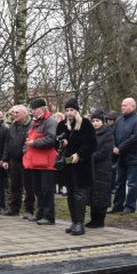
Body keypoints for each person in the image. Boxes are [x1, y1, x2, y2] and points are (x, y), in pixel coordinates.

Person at [56, 98, 97, 235]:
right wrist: (61, 143)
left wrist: (79, 154)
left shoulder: (85, 124)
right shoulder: (62, 125)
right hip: (68, 165)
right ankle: (74, 221)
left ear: (77, 111)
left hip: (82, 165)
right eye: (67, 110)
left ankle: (80, 223)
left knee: (80, 193)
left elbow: (92, 144)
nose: (69, 113)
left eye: (72, 110)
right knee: (71, 194)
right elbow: (55, 143)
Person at [22, 98, 59, 225]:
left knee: (47, 190)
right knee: (38, 189)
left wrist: (34, 143)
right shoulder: (36, 122)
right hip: (36, 162)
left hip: (47, 163)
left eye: (34, 109)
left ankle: (49, 216)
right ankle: (40, 213)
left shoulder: (51, 122)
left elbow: (51, 139)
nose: (32, 111)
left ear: (42, 109)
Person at [110, 97, 137, 214]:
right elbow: (113, 134)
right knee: (119, 182)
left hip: (134, 157)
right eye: (121, 105)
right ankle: (117, 206)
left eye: (125, 105)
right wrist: (114, 146)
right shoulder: (119, 120)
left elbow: (135, 138)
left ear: (133, 106)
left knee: (132, 183)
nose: (122, 107)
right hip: (121, 157)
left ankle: (130, 206)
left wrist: (119, 148)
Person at [1, 105, 35, 219]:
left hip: (26, 159)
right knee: (14, 185)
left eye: (17, 113)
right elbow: (7, 143)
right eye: (13, 113)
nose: (14, 115)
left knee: (28, 186)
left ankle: (29, 210)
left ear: (25, 114)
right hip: (13, 160)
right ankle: (14, 208)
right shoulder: (12, 126)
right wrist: (5, 159)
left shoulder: (32, 125)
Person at [88, 109, 114, 228]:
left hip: (103, 168)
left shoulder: (108, 134)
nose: (95, 123)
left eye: (97, 121)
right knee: (93, 194)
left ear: (102, 121)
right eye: (93, 121)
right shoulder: (91, 133)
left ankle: (100, 220)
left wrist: (91, 157)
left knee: (102, 194)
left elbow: (105, 151)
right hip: (93, 168)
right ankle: (94, 219)